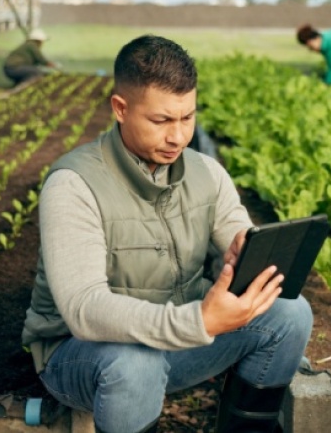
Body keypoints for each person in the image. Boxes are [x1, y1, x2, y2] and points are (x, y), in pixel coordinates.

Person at [21, 34, 314, 433]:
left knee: (290, 313)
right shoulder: (74, 184)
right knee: (135, 362)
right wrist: (198, 320)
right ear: (120, 109)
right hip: (85, 358)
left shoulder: (206, 172)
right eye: (161, 121)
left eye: (188, 117)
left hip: (179, 339)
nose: (178, 136)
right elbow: (85, 310)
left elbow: (236, 229)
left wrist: (245, 250)